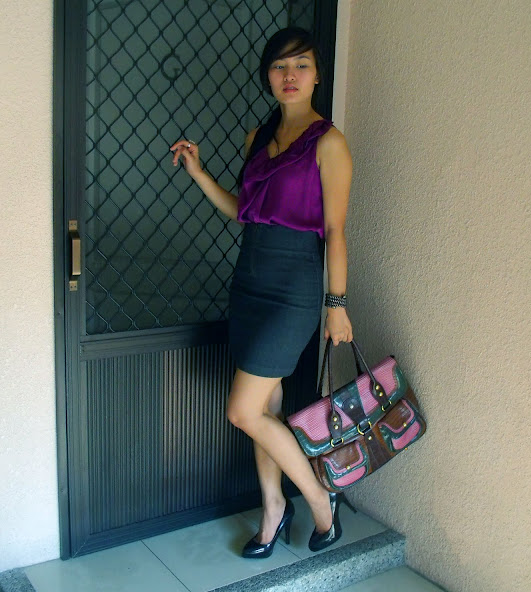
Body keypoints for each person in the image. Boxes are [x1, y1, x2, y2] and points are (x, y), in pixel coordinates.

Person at [170, 27, 354, 558]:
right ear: (268, 76)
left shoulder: (329, 142)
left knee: (243, 411)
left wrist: (336, 305)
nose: (289, 75)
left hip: (294, 286)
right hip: (250, 281)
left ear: (317, 75)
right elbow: (245, 211)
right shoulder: (258, 137)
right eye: (279, 66)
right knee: (267, 405)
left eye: (301, 65)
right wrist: (200, 173)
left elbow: (335, 231)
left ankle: (319, 500)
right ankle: (273, 508)